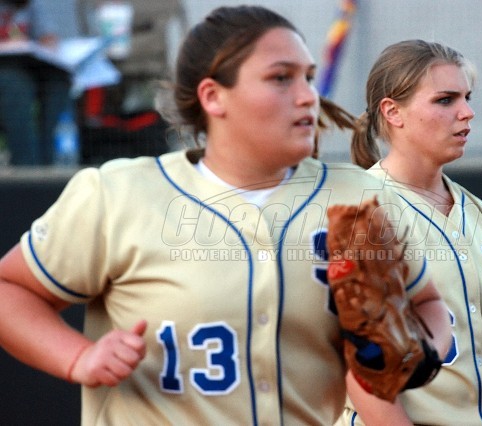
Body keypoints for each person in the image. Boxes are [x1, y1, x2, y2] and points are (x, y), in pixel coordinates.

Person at [0, 7, 451, 425]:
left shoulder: (358, 196)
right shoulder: (119, 194)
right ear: (213, 97)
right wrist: (78, 358)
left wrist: (420, 350)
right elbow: (9, 290)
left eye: (309, 78)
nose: (307, 97)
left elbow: (428, 303)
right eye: (281, 78)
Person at [338, 40, 482, 425]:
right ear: (393, 112)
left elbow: (479, 346)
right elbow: (361, 373)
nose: (467, 112)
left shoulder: (478, 213)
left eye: (467, 97)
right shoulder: (361, 212)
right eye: (445, 100)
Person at [0, 0, 77, 165]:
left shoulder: (30, 5)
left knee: (57, 81)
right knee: (15, 85)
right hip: (7, 73)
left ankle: (47, 162)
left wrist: (47, 43)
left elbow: (48, 37)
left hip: (25, 65)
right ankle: (25, 167)